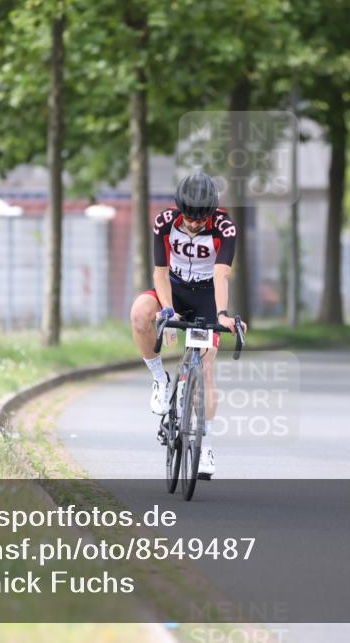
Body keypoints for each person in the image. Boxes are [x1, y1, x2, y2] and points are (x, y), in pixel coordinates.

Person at [129, 171, 247, 479]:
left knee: (206, 367)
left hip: (208, 297)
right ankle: (160, 379)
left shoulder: (225, 227)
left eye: (201, 218)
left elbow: (221, 274)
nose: (195, 224)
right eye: (190, 217)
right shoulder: (164, 221)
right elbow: (160, 272)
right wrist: (168, 310)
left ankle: (205, 445)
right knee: (140, 314)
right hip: (174, 290)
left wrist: (222, 314)